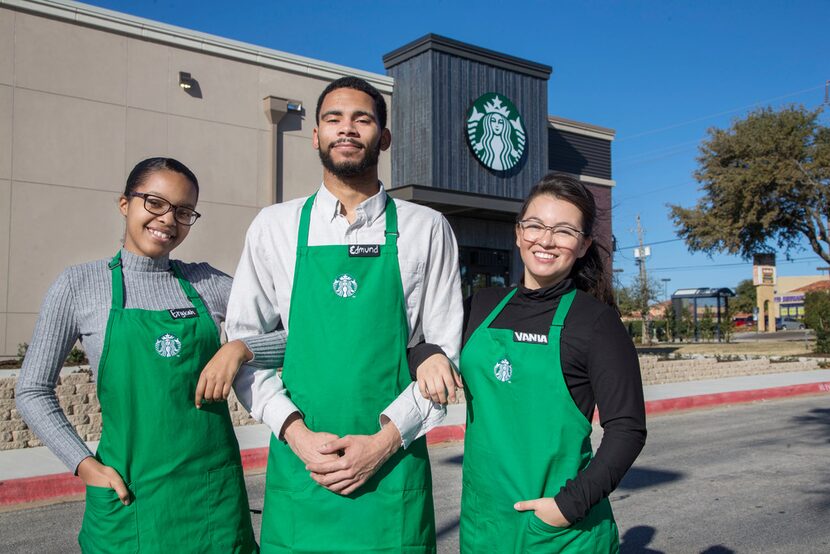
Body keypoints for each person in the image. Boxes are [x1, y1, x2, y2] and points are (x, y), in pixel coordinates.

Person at [226, 76, 463, 553]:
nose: (347, 129)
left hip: (391, 473)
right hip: (303, 470)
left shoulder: (427, 228)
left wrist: (382, 444)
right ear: (316, 135)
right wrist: (298, 436)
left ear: (384, 137)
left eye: (363, 119)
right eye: (333, 119)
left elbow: (443, 361)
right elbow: (247, 347)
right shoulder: (274, 227)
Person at [15, 157, 283, 553]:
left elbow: (298, 337)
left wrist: (240, 349)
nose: (168, 219)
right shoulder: (78, 286)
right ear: (125, 203)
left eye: (184, 211)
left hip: (212, 501)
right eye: (155, 202)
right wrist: (85, 465)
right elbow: (32, 389)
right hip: (129, 500)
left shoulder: (206, 283)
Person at [415, 173, 647, 553]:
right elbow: (421, 345)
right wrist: (427, 355)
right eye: (536, 225)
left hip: (560, 535)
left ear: (584, 243)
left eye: (564, 231)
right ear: (518, 232)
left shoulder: (596, 323)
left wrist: (566, 507)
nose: (546, 240)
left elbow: (628, 430)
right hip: (484, 525)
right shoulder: (481, 306)